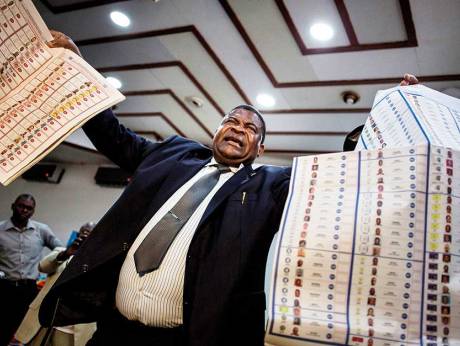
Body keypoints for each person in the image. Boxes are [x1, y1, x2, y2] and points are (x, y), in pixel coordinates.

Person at [39, 32, 419, 346]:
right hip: (111, 330)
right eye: (231, 121)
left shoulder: (271, 185)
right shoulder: (173, 154)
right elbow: (112, 135)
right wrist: (77, 69)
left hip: (185, 340)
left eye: (251, 128)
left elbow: (339, 176)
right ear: (217, 131)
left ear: (260, 149)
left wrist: (393, 116)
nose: (239, 128)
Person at [15, 222, 96, 346]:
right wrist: (66, 253)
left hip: (72, 328)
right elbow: (43, 266)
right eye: (83, 232)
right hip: (44, 321)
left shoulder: (99, 260)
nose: (84, 235)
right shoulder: (61, 252)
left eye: (89, 233)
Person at [0, 194, 63, 346]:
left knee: (23, 331)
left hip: (28, 290)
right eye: (21, 206)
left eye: (29, 208)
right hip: (4, 287)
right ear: (13, 206)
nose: (24, 210)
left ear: (33, 211)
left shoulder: (41, 230)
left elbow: (60, 250)